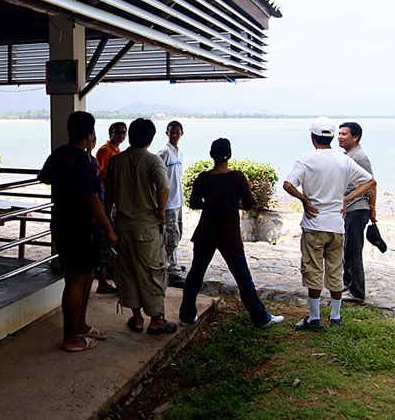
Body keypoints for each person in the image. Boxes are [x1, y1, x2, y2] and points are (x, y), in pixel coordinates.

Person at [179, 138, 284, 328]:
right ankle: (260, 317)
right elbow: (250, 204)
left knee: (196, 273)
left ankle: (186, 315)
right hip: (229, 233)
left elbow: (193, 203)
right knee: (242, 276)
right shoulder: (237, 177)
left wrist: (210, 205)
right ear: (230, 155)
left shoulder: (203, 178)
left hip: (206, 231)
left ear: (211, 155)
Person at [283, 117, 376, 330]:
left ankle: (314, 318)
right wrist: (347, 199)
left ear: (312, 137)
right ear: (333, 137)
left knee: (313, 269)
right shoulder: (343, 160)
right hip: (337, 225)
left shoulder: (307, 160)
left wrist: (305, 200)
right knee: (335, 270)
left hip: (314, 224)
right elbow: (370, 181)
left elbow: (288, 184)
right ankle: (335, 316)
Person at [38, 111, 118, 352]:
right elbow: (92, 199)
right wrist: (109, 229)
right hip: (80, 227)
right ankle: (70, 337)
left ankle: (80, 325)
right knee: (75, 280)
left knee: (86, 276)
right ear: (89, 134)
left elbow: (45, 177)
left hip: (63, 225)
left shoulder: (60, 154)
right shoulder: (82, 160)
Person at [103, 118, 175, 334]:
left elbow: (109, 196)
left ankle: (136, 319)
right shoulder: (153, 161)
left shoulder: (117, 161)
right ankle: (156, 320)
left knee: (128, 272)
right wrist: (161, 210)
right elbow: (164, 186)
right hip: (146, 228)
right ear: (151, 139)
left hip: (122, 227)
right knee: (152, 272)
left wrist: (108, 222)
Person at [337, 121, 377, 303]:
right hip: (349, 208)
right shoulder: (348, 155)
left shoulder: (359, 157)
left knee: (353, 251)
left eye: (344, 134)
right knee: (347, 249)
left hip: (357, 208)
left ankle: (357, 292)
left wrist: (372, 209)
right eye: (339, 134)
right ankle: (348, 285)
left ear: (355, 137)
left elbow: (371, 184)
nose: (340, 137)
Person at [93, 122, 127, 294]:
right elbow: (98, 176)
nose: (120, 135)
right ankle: (103, 281)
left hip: (112, 202)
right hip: (105, 201)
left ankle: (108, 280)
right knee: (105, 242)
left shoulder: (117, 151)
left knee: (110, 243)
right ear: (110, 133)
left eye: (123, 132)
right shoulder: (105, 151)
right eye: (117, 132)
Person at [157, 120, 186, 287]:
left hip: (177, 200)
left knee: (177, 233)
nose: (174, 135)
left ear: (182, 133)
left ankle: (172, 262)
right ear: (166, 133)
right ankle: (172, 270)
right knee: (171, 234)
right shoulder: (164, 152)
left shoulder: (178, 152)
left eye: (177, 132)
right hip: (168, 203)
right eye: (171, 132)